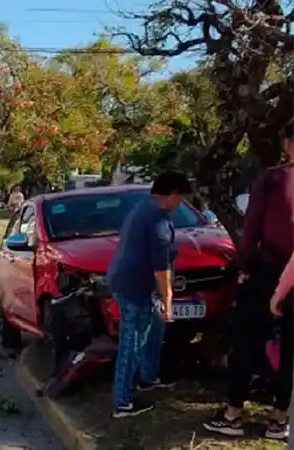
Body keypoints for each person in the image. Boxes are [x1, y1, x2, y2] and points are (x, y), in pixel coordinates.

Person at [203, 122, 294, 441]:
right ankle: (279, 418)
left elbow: (252, 227)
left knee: (246, 338)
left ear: (287, 144)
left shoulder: (272, 178)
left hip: (269, 270)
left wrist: (243, 265)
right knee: (291, 348)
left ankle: (233, 413)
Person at [106, 170, 192, 418]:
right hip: (135, 286)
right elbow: (161, 268)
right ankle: (123, 402)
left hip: (127, 280)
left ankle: (147, 377)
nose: (181, 203)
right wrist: (167, 300)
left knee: (151, 330)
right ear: (171, 194)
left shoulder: (143, 208)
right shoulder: (158, 222)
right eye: (181, 198)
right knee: (133, 341)